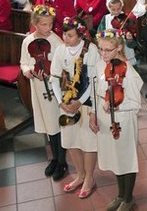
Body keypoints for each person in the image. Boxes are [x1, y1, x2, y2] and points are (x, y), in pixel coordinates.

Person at [89, 31, 143, 211]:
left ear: (119, 47)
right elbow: (95, 92)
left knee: (126, 158)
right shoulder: (100, 65)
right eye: (100, 49)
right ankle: (120, 195)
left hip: (123, 121)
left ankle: (128, 198)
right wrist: (93, 113)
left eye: (108, 50)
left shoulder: (129, 72)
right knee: (116, 158)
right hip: (105, 117)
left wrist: (117, 106)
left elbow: (136, 104)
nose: (103, 54)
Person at [50, 17, 99, 199]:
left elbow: (93, 81)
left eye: (70, 35)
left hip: (85, 101)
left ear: (81, 35)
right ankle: (80, 175)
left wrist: (79, 102)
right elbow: (54, 78)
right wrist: (60, 102)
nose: (65, 38)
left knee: (87, 141)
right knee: (70, 140)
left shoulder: (90, 50)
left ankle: (89, 178)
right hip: (66, 102)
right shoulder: (60, 49)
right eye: (64, 34)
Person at [20, 6, 67, 180]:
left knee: (56, 124)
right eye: (44, 25)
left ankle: (62, 162)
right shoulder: (28, 41)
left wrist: (51, 74)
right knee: (48, 125)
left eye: (50, 24)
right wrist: (27, 71)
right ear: (35, 24)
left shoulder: (55, 40)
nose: (48, 28)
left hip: (54, 88)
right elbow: (24, 62)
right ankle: (55, 158)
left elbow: (63, 63)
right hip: (38, 87)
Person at [97, 0, 138, 67]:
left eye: (118, 9)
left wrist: (130, 39)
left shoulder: (127, 18)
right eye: (113, 9)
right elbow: (100, 33)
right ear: (108, 7)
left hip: (125, 50)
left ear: (122, 6)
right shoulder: (106, 18)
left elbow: (133, 43)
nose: (116, 12)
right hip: (110, 49)